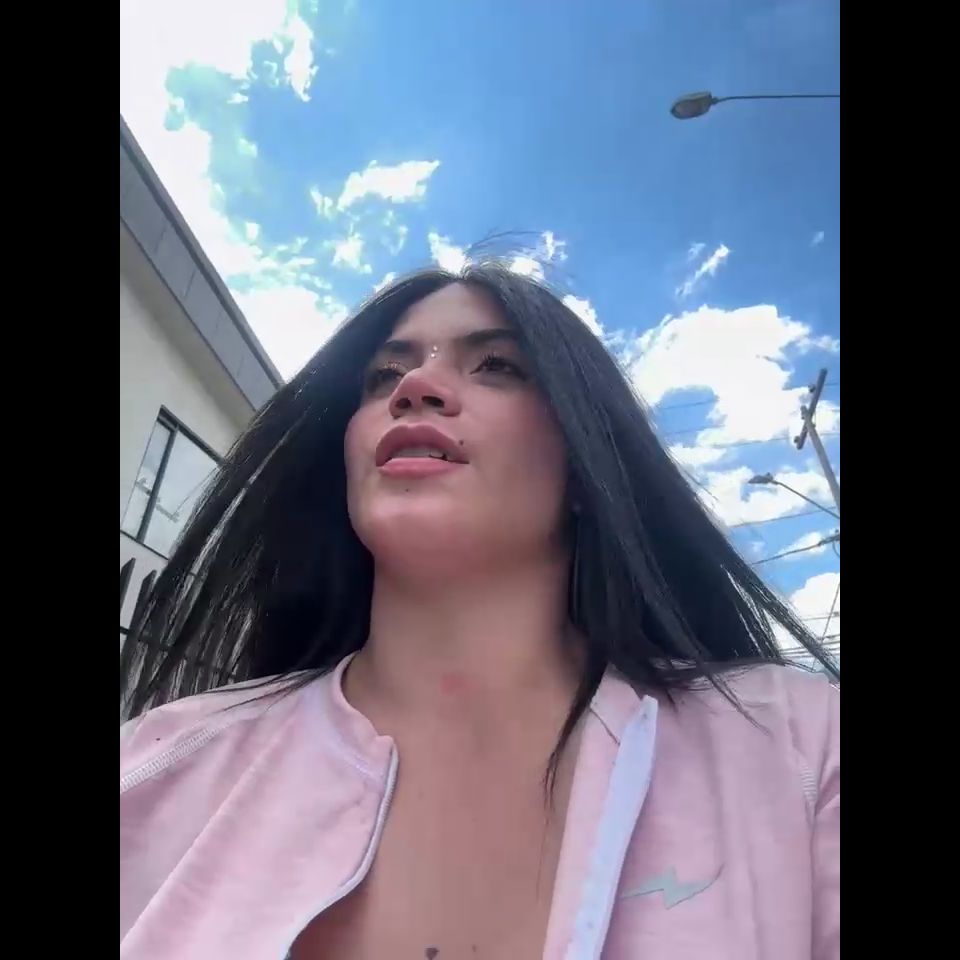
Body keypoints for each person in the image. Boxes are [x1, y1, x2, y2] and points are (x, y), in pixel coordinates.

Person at [120, 264, 839, 960]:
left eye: (497, 366)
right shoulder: (156, 768)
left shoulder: (801, 749)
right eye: (383, 376)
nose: (415, 387)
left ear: (585, 463)